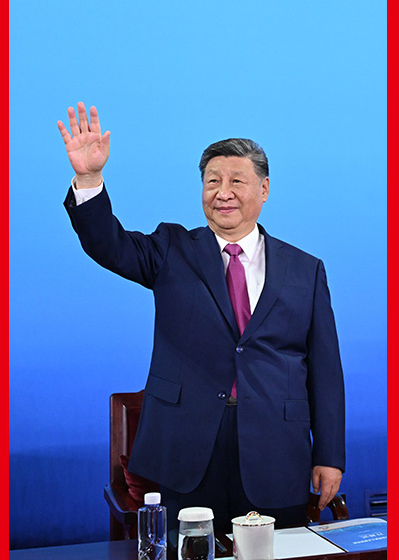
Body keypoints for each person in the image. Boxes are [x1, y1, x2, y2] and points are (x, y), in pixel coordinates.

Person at [58, 102, 345, 540]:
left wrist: (329, 455)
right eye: (212, 181)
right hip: (188, 449)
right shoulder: (171, 249)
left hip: (275, 450)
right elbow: (107, 244)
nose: (222, 192)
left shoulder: (306, 270)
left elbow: (325, 371)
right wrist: (90, 179)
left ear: (264, 189)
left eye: (236, 181)